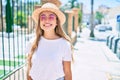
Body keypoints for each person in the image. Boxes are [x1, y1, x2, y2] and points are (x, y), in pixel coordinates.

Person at [25, 2, 73, 80]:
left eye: (51, 17)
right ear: (39, 22)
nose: (47, 20)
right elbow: (29, 70)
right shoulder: (32, 43)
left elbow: (67, 73)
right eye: (43, 17)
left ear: (57, 22)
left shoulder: (64, 44)